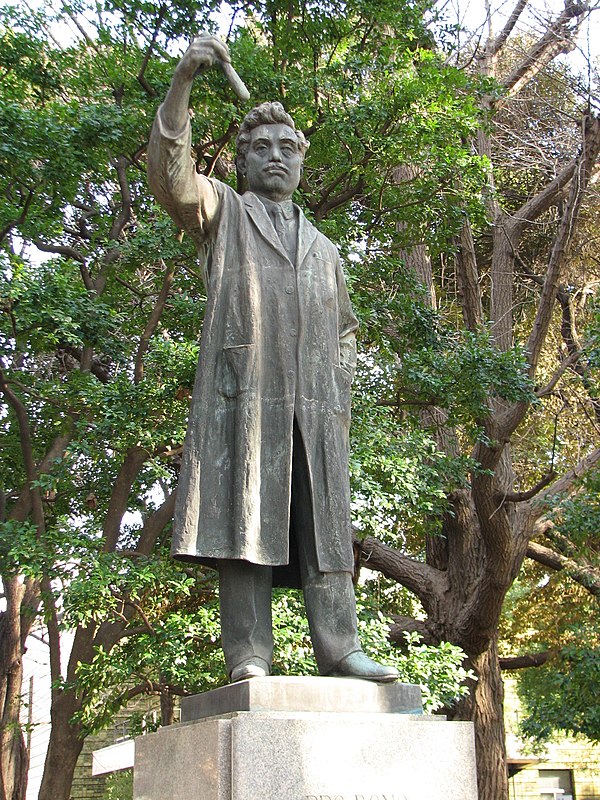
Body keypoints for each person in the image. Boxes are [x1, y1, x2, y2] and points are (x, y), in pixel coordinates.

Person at [148, 34, 398, 684]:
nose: (277, 157)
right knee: (244, 522)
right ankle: (248, 654)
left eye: (288, 149)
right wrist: (182, 82)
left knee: (326, 533)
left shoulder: (325, 248)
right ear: (242, 160)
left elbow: (346, 330)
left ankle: (339, 647)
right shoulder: (224, 213)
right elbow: (172, 178)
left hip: (316, 412)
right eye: (262, 148)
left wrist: (337, 389)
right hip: (245, 402)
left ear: (302, 163)